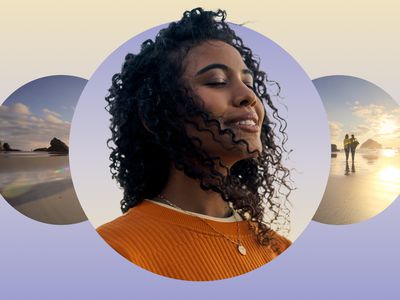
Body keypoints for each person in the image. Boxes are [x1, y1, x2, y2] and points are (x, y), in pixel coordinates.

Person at [97, 8, 293, 281]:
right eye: (217, 81)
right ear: (156, 115)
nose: (248, 96)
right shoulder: (116, 249)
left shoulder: (280, 249)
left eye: (249, 83)